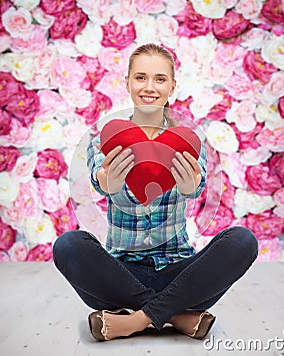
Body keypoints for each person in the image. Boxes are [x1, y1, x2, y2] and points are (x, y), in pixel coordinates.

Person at [53, 43, 258, 342]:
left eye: (160, 79)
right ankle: (175, 315)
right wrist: (105, 180)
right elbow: (100, 176)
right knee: (68, 244)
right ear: (127, 82)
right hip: (121, 276)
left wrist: (191, 187)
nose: (150, 87)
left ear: (172, 86)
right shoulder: (104, 137)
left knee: (242, 240)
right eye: (140, 77)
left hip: (181, 274)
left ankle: (134, 320)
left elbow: (198, 182)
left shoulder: (186, 138)